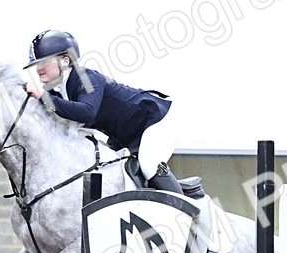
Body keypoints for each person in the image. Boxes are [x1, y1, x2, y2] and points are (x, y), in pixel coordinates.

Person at [23, 29, 181, 193]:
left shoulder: (86, 77)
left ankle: (187, 213)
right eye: (36, 64)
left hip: (156, 121)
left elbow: (87, 112)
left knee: (149, 164)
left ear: (65, 60)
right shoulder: (53, 91)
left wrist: (42, 96)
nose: (38, 68)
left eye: (44, 62)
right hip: (125, 136)